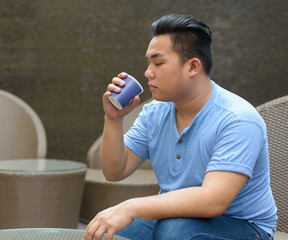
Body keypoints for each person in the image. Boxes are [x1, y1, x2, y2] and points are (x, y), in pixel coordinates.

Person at [83, 14, 277, 240]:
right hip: (176, 217)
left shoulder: (237, 119)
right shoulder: (155, 113)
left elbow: (213, 201)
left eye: (158, 62)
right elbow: (115, 171)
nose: (148, 72)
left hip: (244, 226)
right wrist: (114, 119)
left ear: (193, 66)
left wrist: (131, 207)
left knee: (173, 232)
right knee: (107, 232)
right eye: (148, 62)